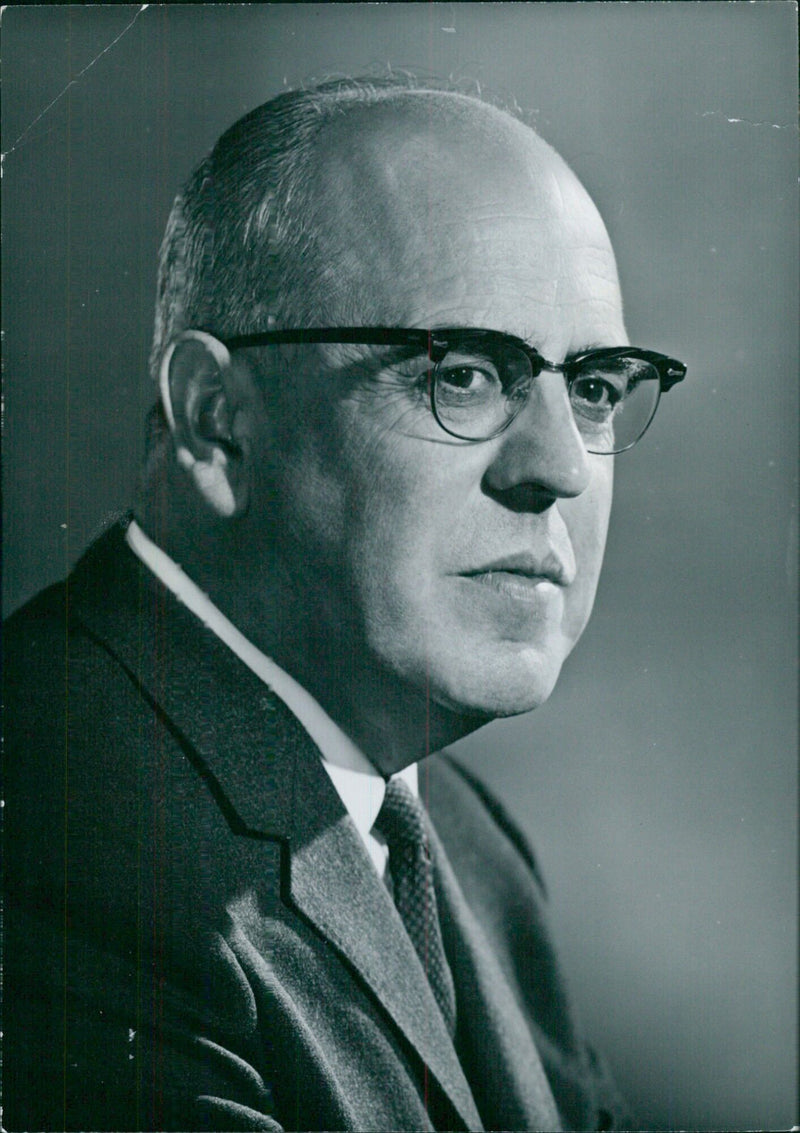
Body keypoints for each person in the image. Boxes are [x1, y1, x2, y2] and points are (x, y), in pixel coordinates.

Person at [2, 77, 686, 1131]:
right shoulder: (60, 840)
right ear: (217, 421)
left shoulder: (460, 834)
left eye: (592, 386)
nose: (558, 465)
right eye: (461, 374)